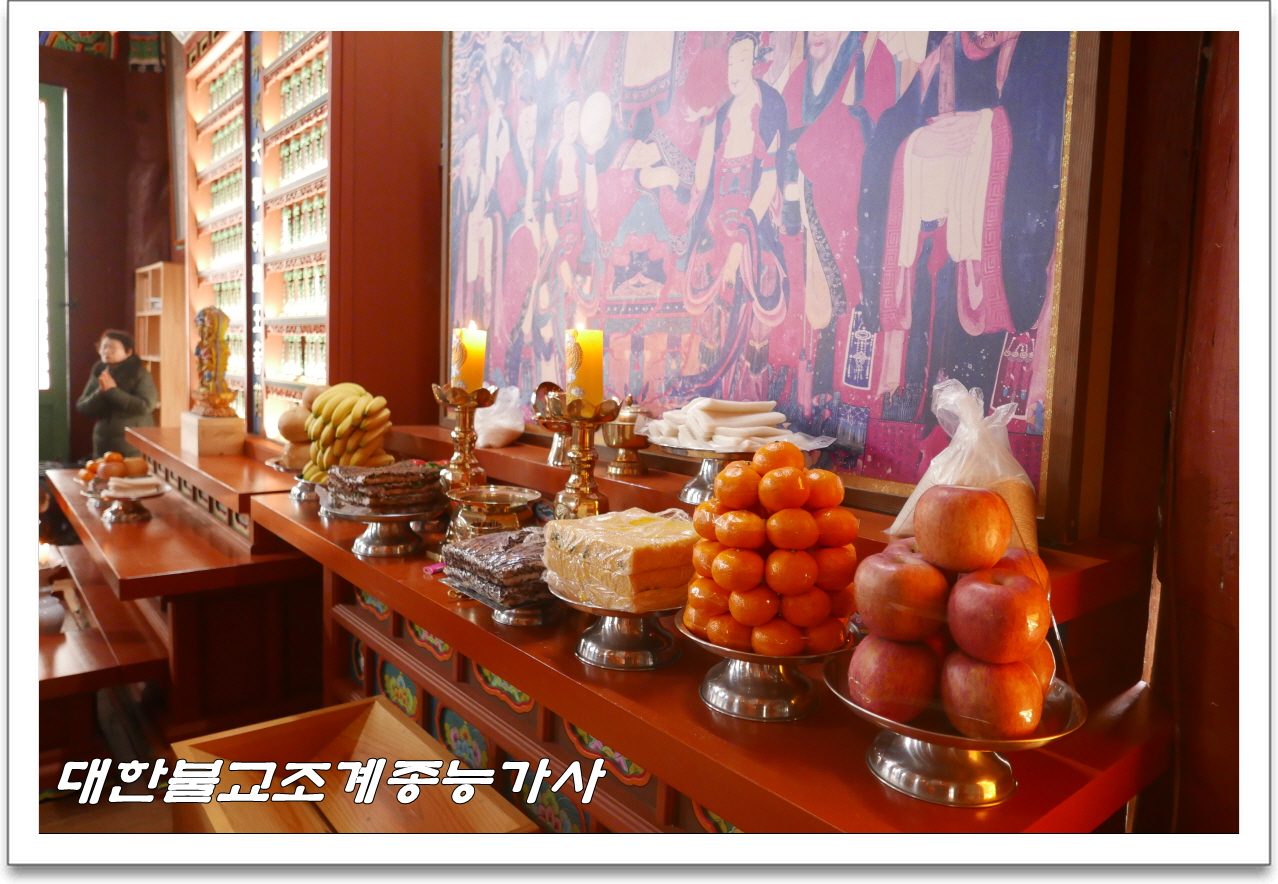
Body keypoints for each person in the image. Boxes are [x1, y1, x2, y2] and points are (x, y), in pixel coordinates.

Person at [75, 330, 158, 458]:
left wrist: (112, 391)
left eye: (113, 348)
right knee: (103, 469)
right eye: (104, 347)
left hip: (132, 443)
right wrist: (101, 392)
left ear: (128, 352)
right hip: (102, 441)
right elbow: (83, 407)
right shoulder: (100, 372)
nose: (107, 351)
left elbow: (146, 406)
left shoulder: (140, 374)